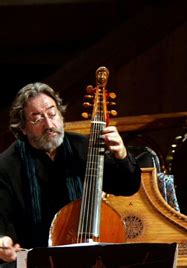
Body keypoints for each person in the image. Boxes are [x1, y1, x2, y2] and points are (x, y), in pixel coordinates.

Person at [0, 82, 142, 264]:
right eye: (37, 119)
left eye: (52, 114)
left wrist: (121, 155)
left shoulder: (83, 148)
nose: (49, 124)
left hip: (87, 257)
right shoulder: (7, 165)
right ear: (23, 128)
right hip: (34, 260)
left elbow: (128, 186)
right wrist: (2, 241)